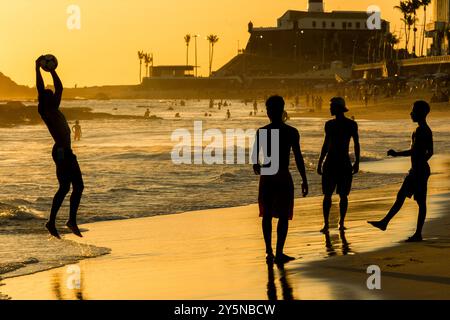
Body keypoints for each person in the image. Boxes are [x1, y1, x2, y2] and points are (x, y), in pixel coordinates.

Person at [253, 95, 308, 264]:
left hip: (268, 176)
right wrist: (304, 179)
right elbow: (298, 157)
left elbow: (255, 162)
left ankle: (270, 252)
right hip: (283, 175)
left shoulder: (262, 131)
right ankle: (278, 252)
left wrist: (260, 166)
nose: (270, 112)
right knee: (282, 216)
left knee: (267, 215)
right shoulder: (291, 132)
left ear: (270, 112)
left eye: (270, 109)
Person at [368, 101, 433, 242]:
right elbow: (427, 152)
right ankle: (385, 222)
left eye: (413, 111)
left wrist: (417, 162)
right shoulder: (421, 130)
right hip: (418, 169)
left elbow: (422, 152)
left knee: (419, 201)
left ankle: (417, 234)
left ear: (421, 113)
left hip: (419, 170)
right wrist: (416, 160)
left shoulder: (422, 130)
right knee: (403, 196)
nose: (411, 113)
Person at [36, 56, 84, 238]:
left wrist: (52, 70)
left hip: (65, 152)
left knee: (71, 187)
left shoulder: (53, 108)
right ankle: (58, 221)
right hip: (61, 152)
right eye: (48, 93)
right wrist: (37, 69)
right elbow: (42, 89)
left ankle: (62, 221)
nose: (52, 93)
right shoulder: (45, 110)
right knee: (72, 186)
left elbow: (59, 88)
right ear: (43, 98)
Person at [317, 97, 360, 233]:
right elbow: (326, 144)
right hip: (339, 162)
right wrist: (320, 162)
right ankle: (334, 223)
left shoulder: (346, 124)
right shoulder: (334, 124)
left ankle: (336, 223)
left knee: (334, 195)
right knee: (335, 195)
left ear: (337, 108)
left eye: (331, 107)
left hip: (337, 162)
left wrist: (357, 162)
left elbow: (356, 144)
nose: (329, 109)